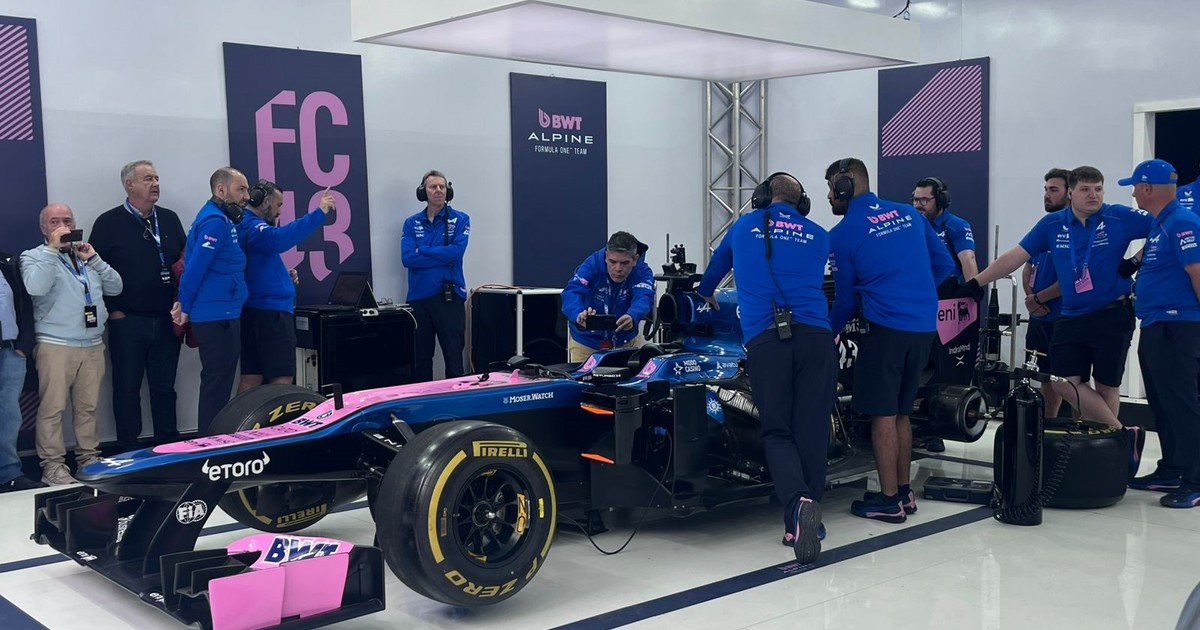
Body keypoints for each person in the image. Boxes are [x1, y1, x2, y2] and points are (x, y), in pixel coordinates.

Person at [964, 165, 1150, 478]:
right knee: (1062, 382)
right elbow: (1015, 257)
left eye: (1098, 189)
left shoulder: (1118, 217)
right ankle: (1123, 436)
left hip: (1111, 313)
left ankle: (1109, 460)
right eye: (1086, 190)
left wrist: (1134, 261)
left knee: (1107, 385)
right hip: (1071, 315)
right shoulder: (1052, 224)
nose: (1093, 196)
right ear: (1071, 193)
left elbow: (1166, 226)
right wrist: (976, 282)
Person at [696, 172, 834, 564]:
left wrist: (705, 293)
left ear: (760, 197)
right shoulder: (819, 234)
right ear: (802, 203)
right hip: (817, 338)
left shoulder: (744, 227)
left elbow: (715, 270)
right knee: (813, 430)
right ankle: (811, 521)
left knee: (777, 429)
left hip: (768, 340)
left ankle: (797, 507)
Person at [827, 158, 956, 523]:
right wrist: (913, 292)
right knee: (901, 411)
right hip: (923, 328)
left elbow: (845, 300)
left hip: (885, 330)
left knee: (882, 414)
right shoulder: (910, 214)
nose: (829, 196)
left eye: (831, 188)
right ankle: (903, 492)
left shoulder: (842, 234)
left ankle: (887, 501)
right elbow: (945, 265)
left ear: (845, 187)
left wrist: (827, 332)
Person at [21, 204, 123, 485]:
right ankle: (52, 465)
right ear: (44, 228)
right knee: (53, 408)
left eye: (67, 220)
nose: (63, 226)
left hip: (92, 343)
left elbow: (116, 287)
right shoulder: (34, 257)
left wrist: (95, 259)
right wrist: (52, 250)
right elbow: (35, 287)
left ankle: (88, 459)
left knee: (87, 408)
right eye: (55, 222)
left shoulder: (85, 257)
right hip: (55, 344)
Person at [90, 160, 186, 449]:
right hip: (128, 320)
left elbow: (184, 263)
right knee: (126, 388)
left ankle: (168, 445)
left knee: (165, 387)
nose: (155, 183)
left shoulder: (169, 219)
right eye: (148, 179)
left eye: (156, 178)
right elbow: (93, 271)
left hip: (166, 319)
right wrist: (114, 311)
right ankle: (128, 449)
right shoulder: (108, 223)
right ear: (129, 185)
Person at [1121, 159, 1200, 505]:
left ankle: (1196, 480)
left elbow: (1197, 273)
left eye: (1135, 187)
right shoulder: (1162, 223)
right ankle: (1172, 468)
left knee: (1182, 404)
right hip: (1156, 325)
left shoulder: (1182, 222)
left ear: (1148, 188)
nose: (1134, 194)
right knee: (1163, 403)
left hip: (1177, 326)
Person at [236, 180, 334, 393]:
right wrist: (319, 212)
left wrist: (281, 274)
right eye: (278, 204)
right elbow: (279, 240)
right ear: (265, 201)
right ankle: (273, 417)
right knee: (281, 378)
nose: (279, 211)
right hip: (270, 314)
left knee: (252, 377)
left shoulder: (246, 225)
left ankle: (240, 417)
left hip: (257, 311)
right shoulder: (252, 226)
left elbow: (259, 262)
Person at [173, 167, 249, 434]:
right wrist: (185, 306)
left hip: (223, 313)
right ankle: (210, 444)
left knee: (219, 385)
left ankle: (213, 441)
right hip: (217, 317)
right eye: (241, 189)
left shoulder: (222, 219)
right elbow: (194, 268)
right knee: (216, 386)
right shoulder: (214, 221)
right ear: (221, 189)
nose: (246, 196)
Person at [401, 170, 470, 381]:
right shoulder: (411, 223)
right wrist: (442, 255)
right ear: (423, 192)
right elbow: (407, 258)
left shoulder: (460, 219)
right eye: (433, 187)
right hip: (418, 299)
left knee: (454, 360)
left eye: (442, 186)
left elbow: (456, 252)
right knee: (420, 361)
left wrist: (423, 250)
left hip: (449, 297)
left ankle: (456, 400)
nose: (438, 190)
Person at [561, 232, 655, 362]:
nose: (618, 268)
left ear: (635, 259)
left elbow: (644, 297)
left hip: (626, 343)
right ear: (606, 256)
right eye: (612, 261)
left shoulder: (642, 271)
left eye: (624, 263)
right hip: (586, 343)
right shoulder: (592, 265)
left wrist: (633, 316)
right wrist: (578, 316)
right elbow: (572, 292)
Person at [1021, 168, 1069, 419]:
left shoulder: (1074, 230)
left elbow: (1070, 280)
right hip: (1038, 316)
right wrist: (1031, 299)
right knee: (1043, 376)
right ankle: (1046, 424)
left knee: (1067, 379)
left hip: (1062, 317)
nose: (1047, 195)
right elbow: (1027, 266)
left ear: (1069, 193)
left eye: (1054, 190)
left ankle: (1080, 429)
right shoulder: (1044, 227)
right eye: (1046, 189)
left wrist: (1039, 299)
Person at [0, 249, 43, 491]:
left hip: (10, 349)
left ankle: (9, 473)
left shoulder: (7, 263)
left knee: (9, 415)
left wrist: (24, 346)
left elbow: (24, 306)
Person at [912, 176, 977, 292]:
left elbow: (968, 258)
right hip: (916, 291)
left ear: (940, 200)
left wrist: (972, 289)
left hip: (945, 293)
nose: (918, 205)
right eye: (916, 200)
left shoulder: (956, 225)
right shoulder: (909, 225)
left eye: (924, 200)